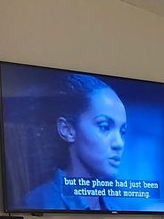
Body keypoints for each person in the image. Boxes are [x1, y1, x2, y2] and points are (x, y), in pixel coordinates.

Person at [22, 74, 130, 210]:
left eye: (122, 132)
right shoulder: (37, 203)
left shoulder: (115, 211)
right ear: (67, 130)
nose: (119, 144)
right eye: (104, 127)